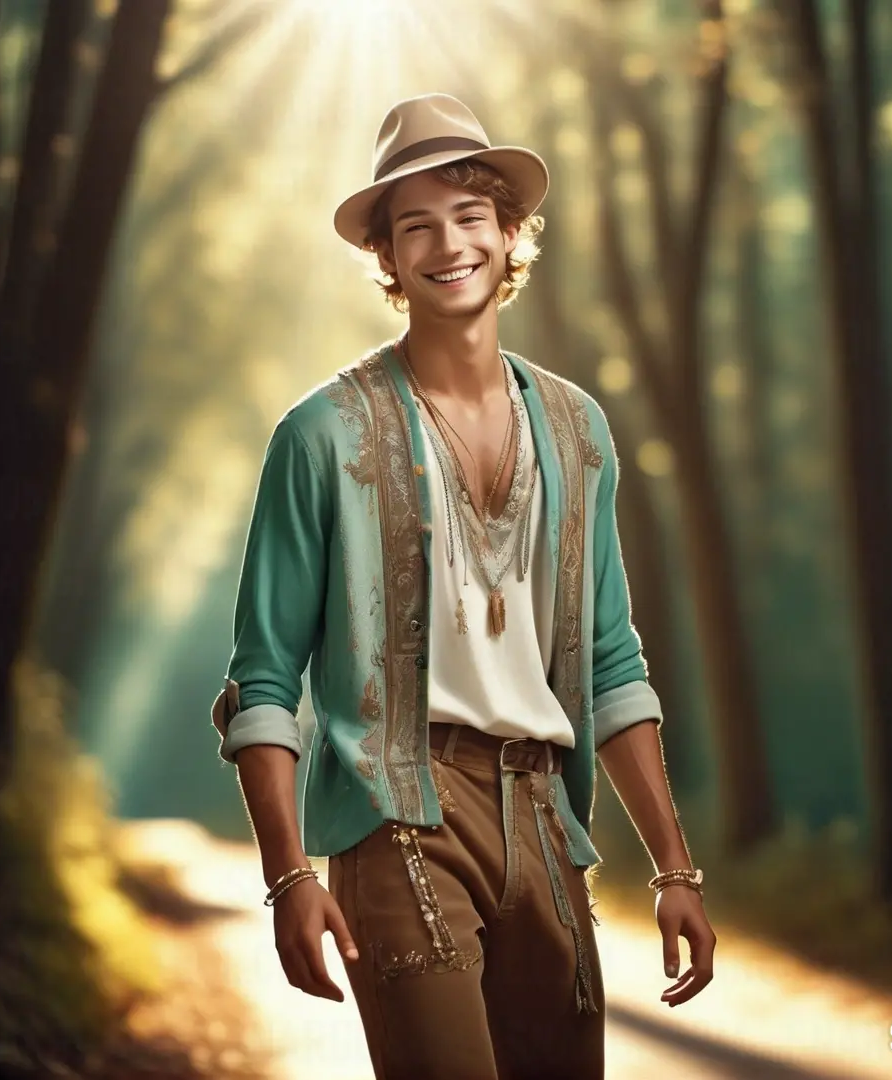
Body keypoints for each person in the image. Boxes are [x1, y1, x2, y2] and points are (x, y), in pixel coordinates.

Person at [211, 92, 716, 1080]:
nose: (449, 243)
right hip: (398, 817)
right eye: (417, 225)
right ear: (389, 259)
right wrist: (286, 879)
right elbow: (263, 682)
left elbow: (613, 661)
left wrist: (675, 868)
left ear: (510, 233)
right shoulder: (320, 437)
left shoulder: (578, 431)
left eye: (470, 216)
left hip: (545, 820)